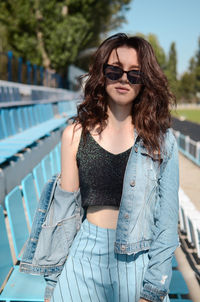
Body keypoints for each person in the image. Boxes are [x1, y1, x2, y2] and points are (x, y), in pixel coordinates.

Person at [20, 33, 180, 302]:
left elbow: (166, 225)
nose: (123, 80)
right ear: (101, 73)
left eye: (134, 74)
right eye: (114, 70)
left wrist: (152, 292)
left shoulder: (162, 141)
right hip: (84, 256)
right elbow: (64, 216)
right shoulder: (74, 135)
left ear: (145, 81)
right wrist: (53, 284)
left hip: (138, 262)